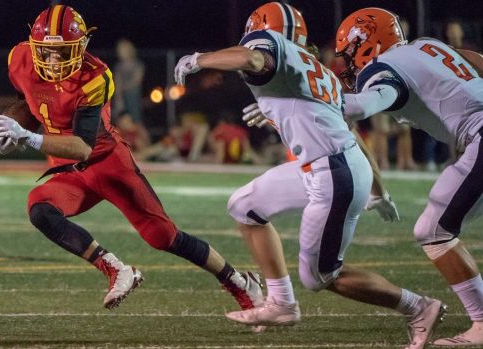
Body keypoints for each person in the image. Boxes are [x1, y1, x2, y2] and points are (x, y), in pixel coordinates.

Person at [175, 3, 442, 348]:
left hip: (332, 172)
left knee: (320, 276)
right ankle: (281, 302)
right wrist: (378, 188)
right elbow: (347, 132)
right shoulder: (314, 70)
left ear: (261, 30)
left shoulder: (269, 45)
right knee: (244, 205)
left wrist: (201, 59)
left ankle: (418, 306)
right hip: (331, 165)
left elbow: (253, 59)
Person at [0, 5, 264, 313]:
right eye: (47, 52)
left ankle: (238, 281)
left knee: (163, 236)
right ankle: (116, 269)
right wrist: (15, 123)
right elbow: (31, 96)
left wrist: (27, 136)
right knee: (40, 209)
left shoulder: (95, 77)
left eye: (63, 53)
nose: (53, 60)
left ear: (80, 48)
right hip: (69, 172)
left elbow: (82, 147)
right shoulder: (19, 59)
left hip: (107, 163)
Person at [335, 7, 483, 346]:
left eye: (350, 55)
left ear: (366, 43)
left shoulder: (384, 67)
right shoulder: (427, 45)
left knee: (433, 230)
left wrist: (319, 105)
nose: (350, 64)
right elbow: (473, 59)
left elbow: (371, 101)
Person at [113, 39, 145, 124]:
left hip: (134, 97)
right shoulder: (119, 67)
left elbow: (136, 81)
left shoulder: (138, 65)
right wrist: (118, 99)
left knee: (136, 121)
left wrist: (123, 88)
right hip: (123, 98)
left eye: (122, 50)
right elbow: (118, 84)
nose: (120, 52)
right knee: (121, 120)